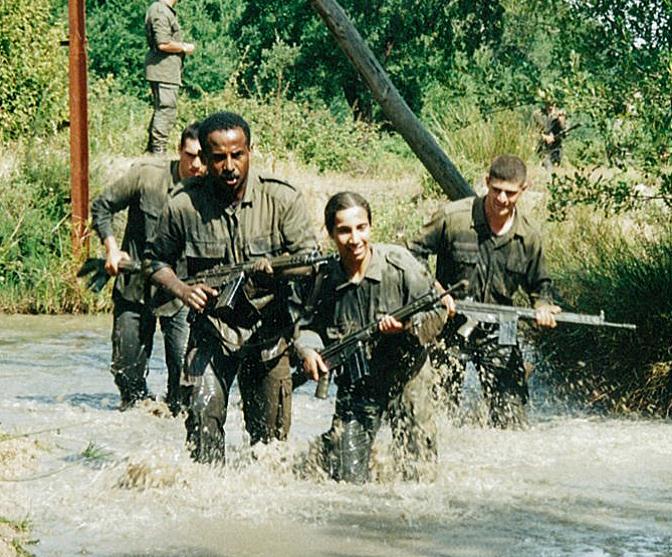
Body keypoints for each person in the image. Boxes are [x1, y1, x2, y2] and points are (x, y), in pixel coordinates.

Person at [144, 111, 318, 464]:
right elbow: (153, 261)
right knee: (202, 427)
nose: (229, 166)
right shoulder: (184, 205)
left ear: (250, 151)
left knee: (269, 450)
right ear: (204, 159)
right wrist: (181, 290)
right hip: (211, 331)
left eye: (237, 155)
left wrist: (278, 272)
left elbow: (312, 262)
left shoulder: (281, 199)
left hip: (269, 335)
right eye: (218, 157)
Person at [297, 192, 454, 484]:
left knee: (420, 473)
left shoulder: (401, 266)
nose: (355, 239)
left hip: (408, 376)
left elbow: (439, 313)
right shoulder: (324, 279)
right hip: (359, 383)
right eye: (344, 230)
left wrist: (408, 326)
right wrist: (309, 351)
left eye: (361, 228)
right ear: (330, 234)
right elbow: (307, 326)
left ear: (370, 227)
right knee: (347, 477)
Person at [408, 155, 560, 429]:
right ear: (486, 182)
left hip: (500, 331)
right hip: (447, 326)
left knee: (510, 420)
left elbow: (540, 284)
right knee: (435, 412)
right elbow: (411, 255)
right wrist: (435, 290)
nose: (502, 198)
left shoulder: (529, 235)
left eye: (510, 193)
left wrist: (543, 305)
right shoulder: (453, 218)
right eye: (496, 190)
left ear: (523, 189)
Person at [91, 122, 204, 414]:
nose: (197, 164)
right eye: (191, 155)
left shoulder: (211, 192)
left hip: (180, 293)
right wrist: (112, 248)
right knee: (125, 371)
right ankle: (137, 418)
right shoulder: (147, 177)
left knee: (184, 377)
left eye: (204, 157)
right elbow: (102, 206)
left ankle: (172, 427)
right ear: (179, 151)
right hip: (135, 285)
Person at [144, 0, 195, 154]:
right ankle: (158, 151)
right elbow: (163, 43)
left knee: (162, 109)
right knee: (166, 109)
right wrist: (184, 47)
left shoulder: (161, 10)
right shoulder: (161, 11)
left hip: (163, 70)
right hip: (164, 71)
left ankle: (153, 149)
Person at [537, 103, 567, 170]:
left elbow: (565, 132)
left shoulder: (560, 114)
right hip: (542, 147)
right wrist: (544, 137)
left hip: (556, 148)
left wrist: (561, 121)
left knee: (555, 169)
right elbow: (533, 130)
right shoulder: (538, 115)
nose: (550, 105)